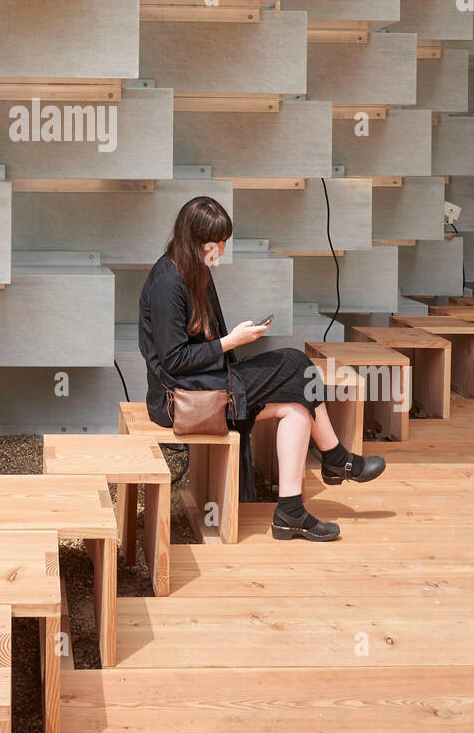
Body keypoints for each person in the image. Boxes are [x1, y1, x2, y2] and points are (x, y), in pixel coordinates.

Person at [138, 196, 386, 541]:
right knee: (296, 363)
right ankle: (337, 458)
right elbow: (174, 359)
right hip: (179, 399)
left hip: (203, 383)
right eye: (218, 242)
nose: (222, 250)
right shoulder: (169, 281)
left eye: (224, 241)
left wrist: (233, 341)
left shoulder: (193, 271)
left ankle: (291, 512)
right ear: (195, 240)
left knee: (298, 408)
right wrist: (231, 341)